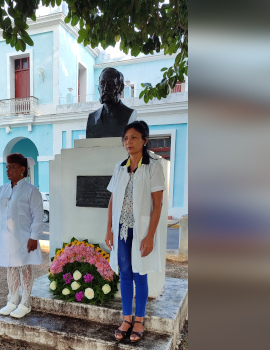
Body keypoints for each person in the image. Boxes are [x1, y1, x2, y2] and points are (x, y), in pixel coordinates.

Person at [105, 121, 165, 343]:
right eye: (126, 138)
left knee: (140, 273)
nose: (128, 142)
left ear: (145, 140)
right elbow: (112, 200)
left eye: (133, 137)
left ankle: (139, 319)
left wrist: (149, 236)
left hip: (140, 230)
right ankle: (127, 318)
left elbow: (157, 205)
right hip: (121, 230)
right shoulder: (120, 166)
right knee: (125, 272)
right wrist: (109, 229)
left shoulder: (153, 166)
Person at [0, 153, 44, 319]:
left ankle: (25, 302)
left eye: (12, 167)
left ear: (22, 169)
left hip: (24, 237)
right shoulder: (2, 189)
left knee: (24, 267)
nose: (8, 170)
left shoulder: (31, 191)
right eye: (7, 167)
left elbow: (38, 215)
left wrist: (34, 236)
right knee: (10, 267)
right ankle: (13, 299)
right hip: (6, 238)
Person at [86, 67, 137, 138]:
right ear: (98, 88)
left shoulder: (129, 114)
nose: (105, 88)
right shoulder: (92, 118)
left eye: (110, 84)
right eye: (102, 84)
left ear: (121, 87)